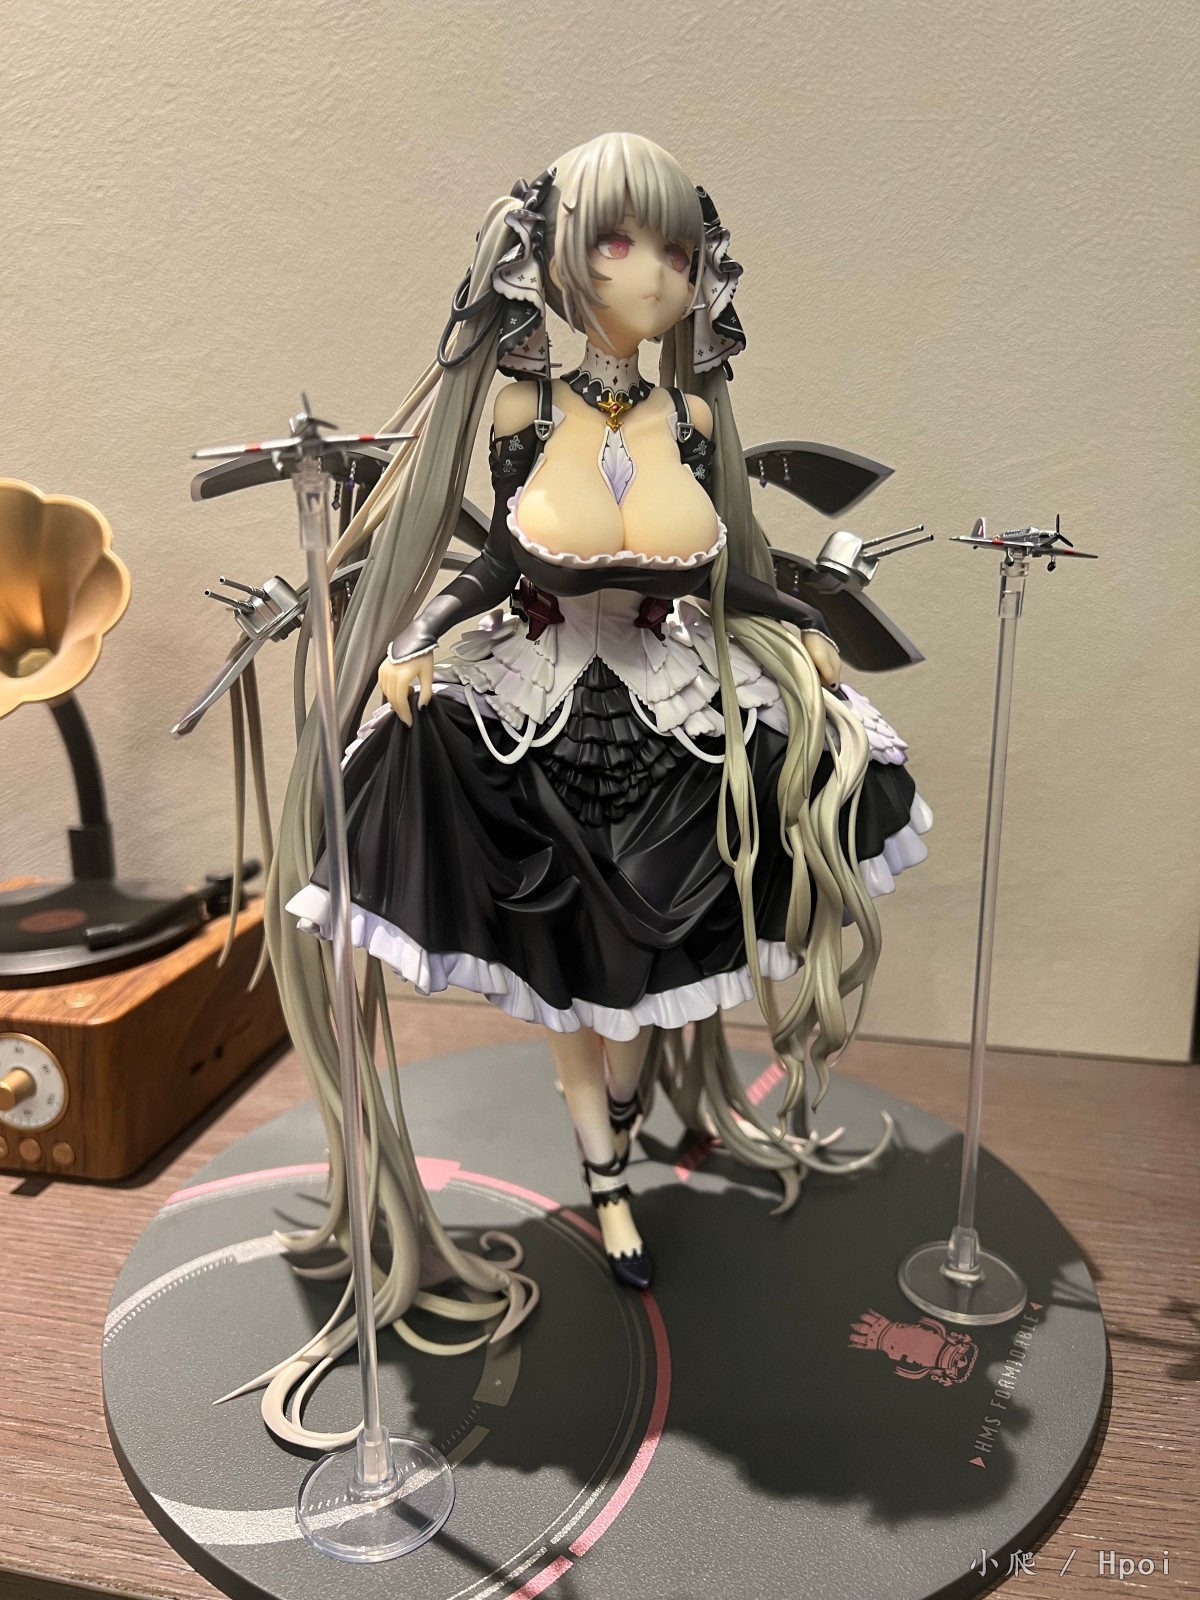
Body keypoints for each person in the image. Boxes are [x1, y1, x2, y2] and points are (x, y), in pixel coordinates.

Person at [241, 132, 930, 1449]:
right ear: (558, 261)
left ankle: (620, 1129)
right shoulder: (523, 409)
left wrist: (806, 629)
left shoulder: (690, 420)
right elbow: (502, 566)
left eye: (675, 248)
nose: (653, 274)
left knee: (651, 971)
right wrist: (421, 646)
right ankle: (607, 1179)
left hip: (669, 703)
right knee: (573, 974)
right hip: (540, 703)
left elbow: (726, 570)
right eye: (620, 243)